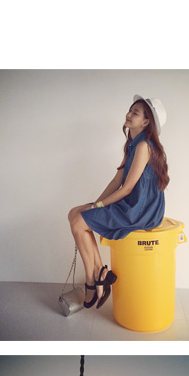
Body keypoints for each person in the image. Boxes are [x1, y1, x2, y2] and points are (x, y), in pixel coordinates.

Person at [68, 96, 168, 310]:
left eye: (135, 113)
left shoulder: (144, 146)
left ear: (146, 122)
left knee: (78, 222)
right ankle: (100, 274)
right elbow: (117, 181)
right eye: (130, 110)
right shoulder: (132, 145)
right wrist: (96, 204)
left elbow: (128, 188)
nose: (128, 114)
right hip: (132, 202)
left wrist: (97, 207)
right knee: (74, 213)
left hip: (141, 209)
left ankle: (92, 281)